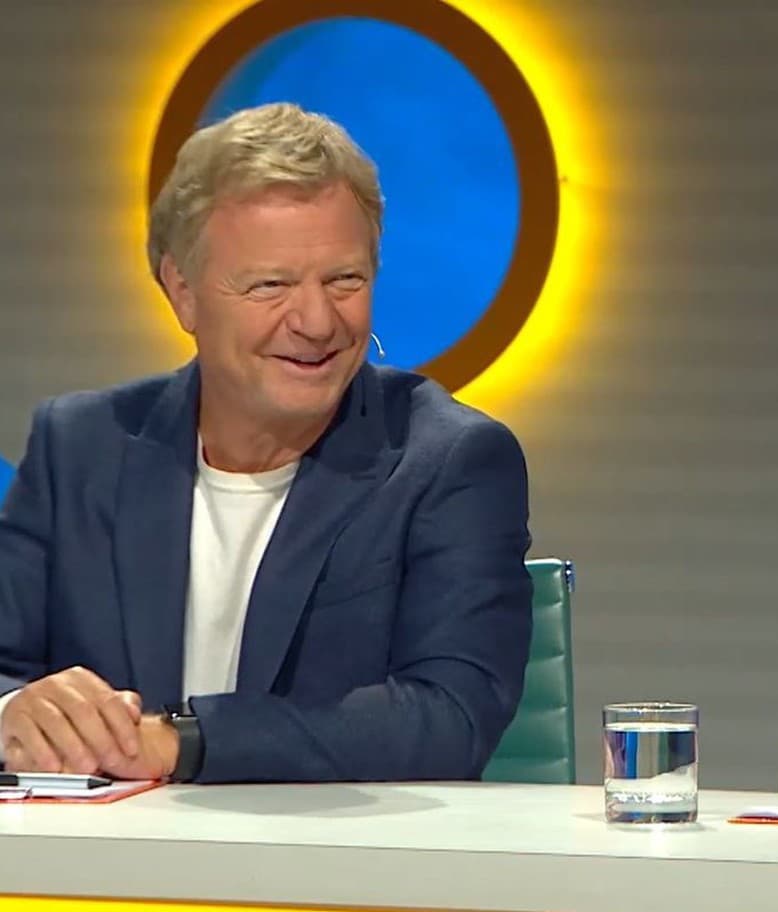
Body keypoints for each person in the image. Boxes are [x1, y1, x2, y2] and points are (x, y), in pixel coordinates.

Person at [0, 103, 533, 783]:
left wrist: (182, 743)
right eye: (270, 285)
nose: (316, 321)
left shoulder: (450, 462)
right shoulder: (80, 448)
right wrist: (15, 712)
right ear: (183, 292)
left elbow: (449, 718)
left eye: (344, 280)